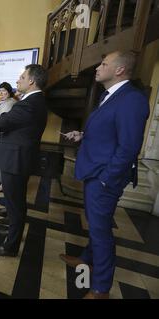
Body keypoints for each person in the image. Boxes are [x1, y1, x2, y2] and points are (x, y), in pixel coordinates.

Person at [60, 51, 150, 299]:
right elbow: (110, 134)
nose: (98, 68)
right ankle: (87, 260)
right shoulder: (111, 95)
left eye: (103, 64)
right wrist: (83, 136)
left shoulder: (132, 99)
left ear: (119, 70)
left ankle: (100, 288)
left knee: (100, 231)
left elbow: (129, 147)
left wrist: (106, 178)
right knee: (96, 223)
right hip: (96, 170)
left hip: (104, 177)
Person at [0, 64, 48, 257]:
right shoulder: (32, 101)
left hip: (16, 159)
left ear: (31, 81)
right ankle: (13, 230)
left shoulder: (30, 103)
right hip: (18, 157)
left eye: (21, 77)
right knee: (14, 202)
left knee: (15, 203)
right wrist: (5, 117)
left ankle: (10, 246)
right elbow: (10, 119)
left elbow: (2, 123)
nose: (17, 81)